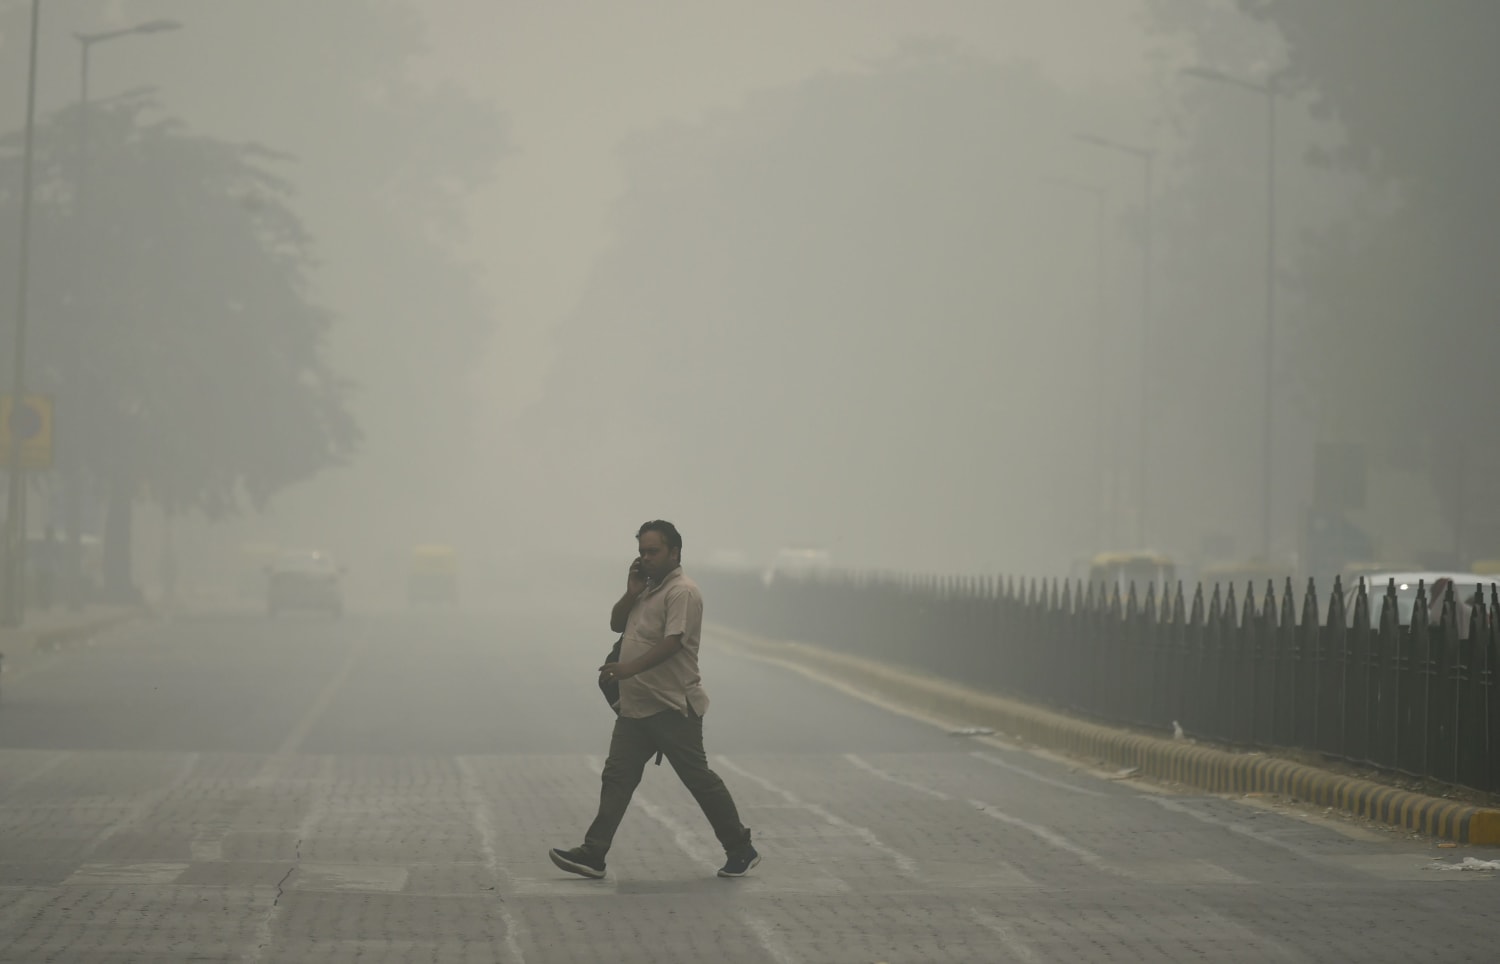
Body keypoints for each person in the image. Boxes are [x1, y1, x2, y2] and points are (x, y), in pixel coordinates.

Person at [549, 519, 759, 880]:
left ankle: (740, 847)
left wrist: (629, 668)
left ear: (674, 552)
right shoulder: (646, 589)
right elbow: (617, 624)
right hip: (636, 709)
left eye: (653, 551)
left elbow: (673, 641)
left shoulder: (683, 592)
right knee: (617, 777)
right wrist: (631, 592)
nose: (646, 558)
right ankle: (594, 853)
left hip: (673, 706)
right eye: (641, 552)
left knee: (698, 780)